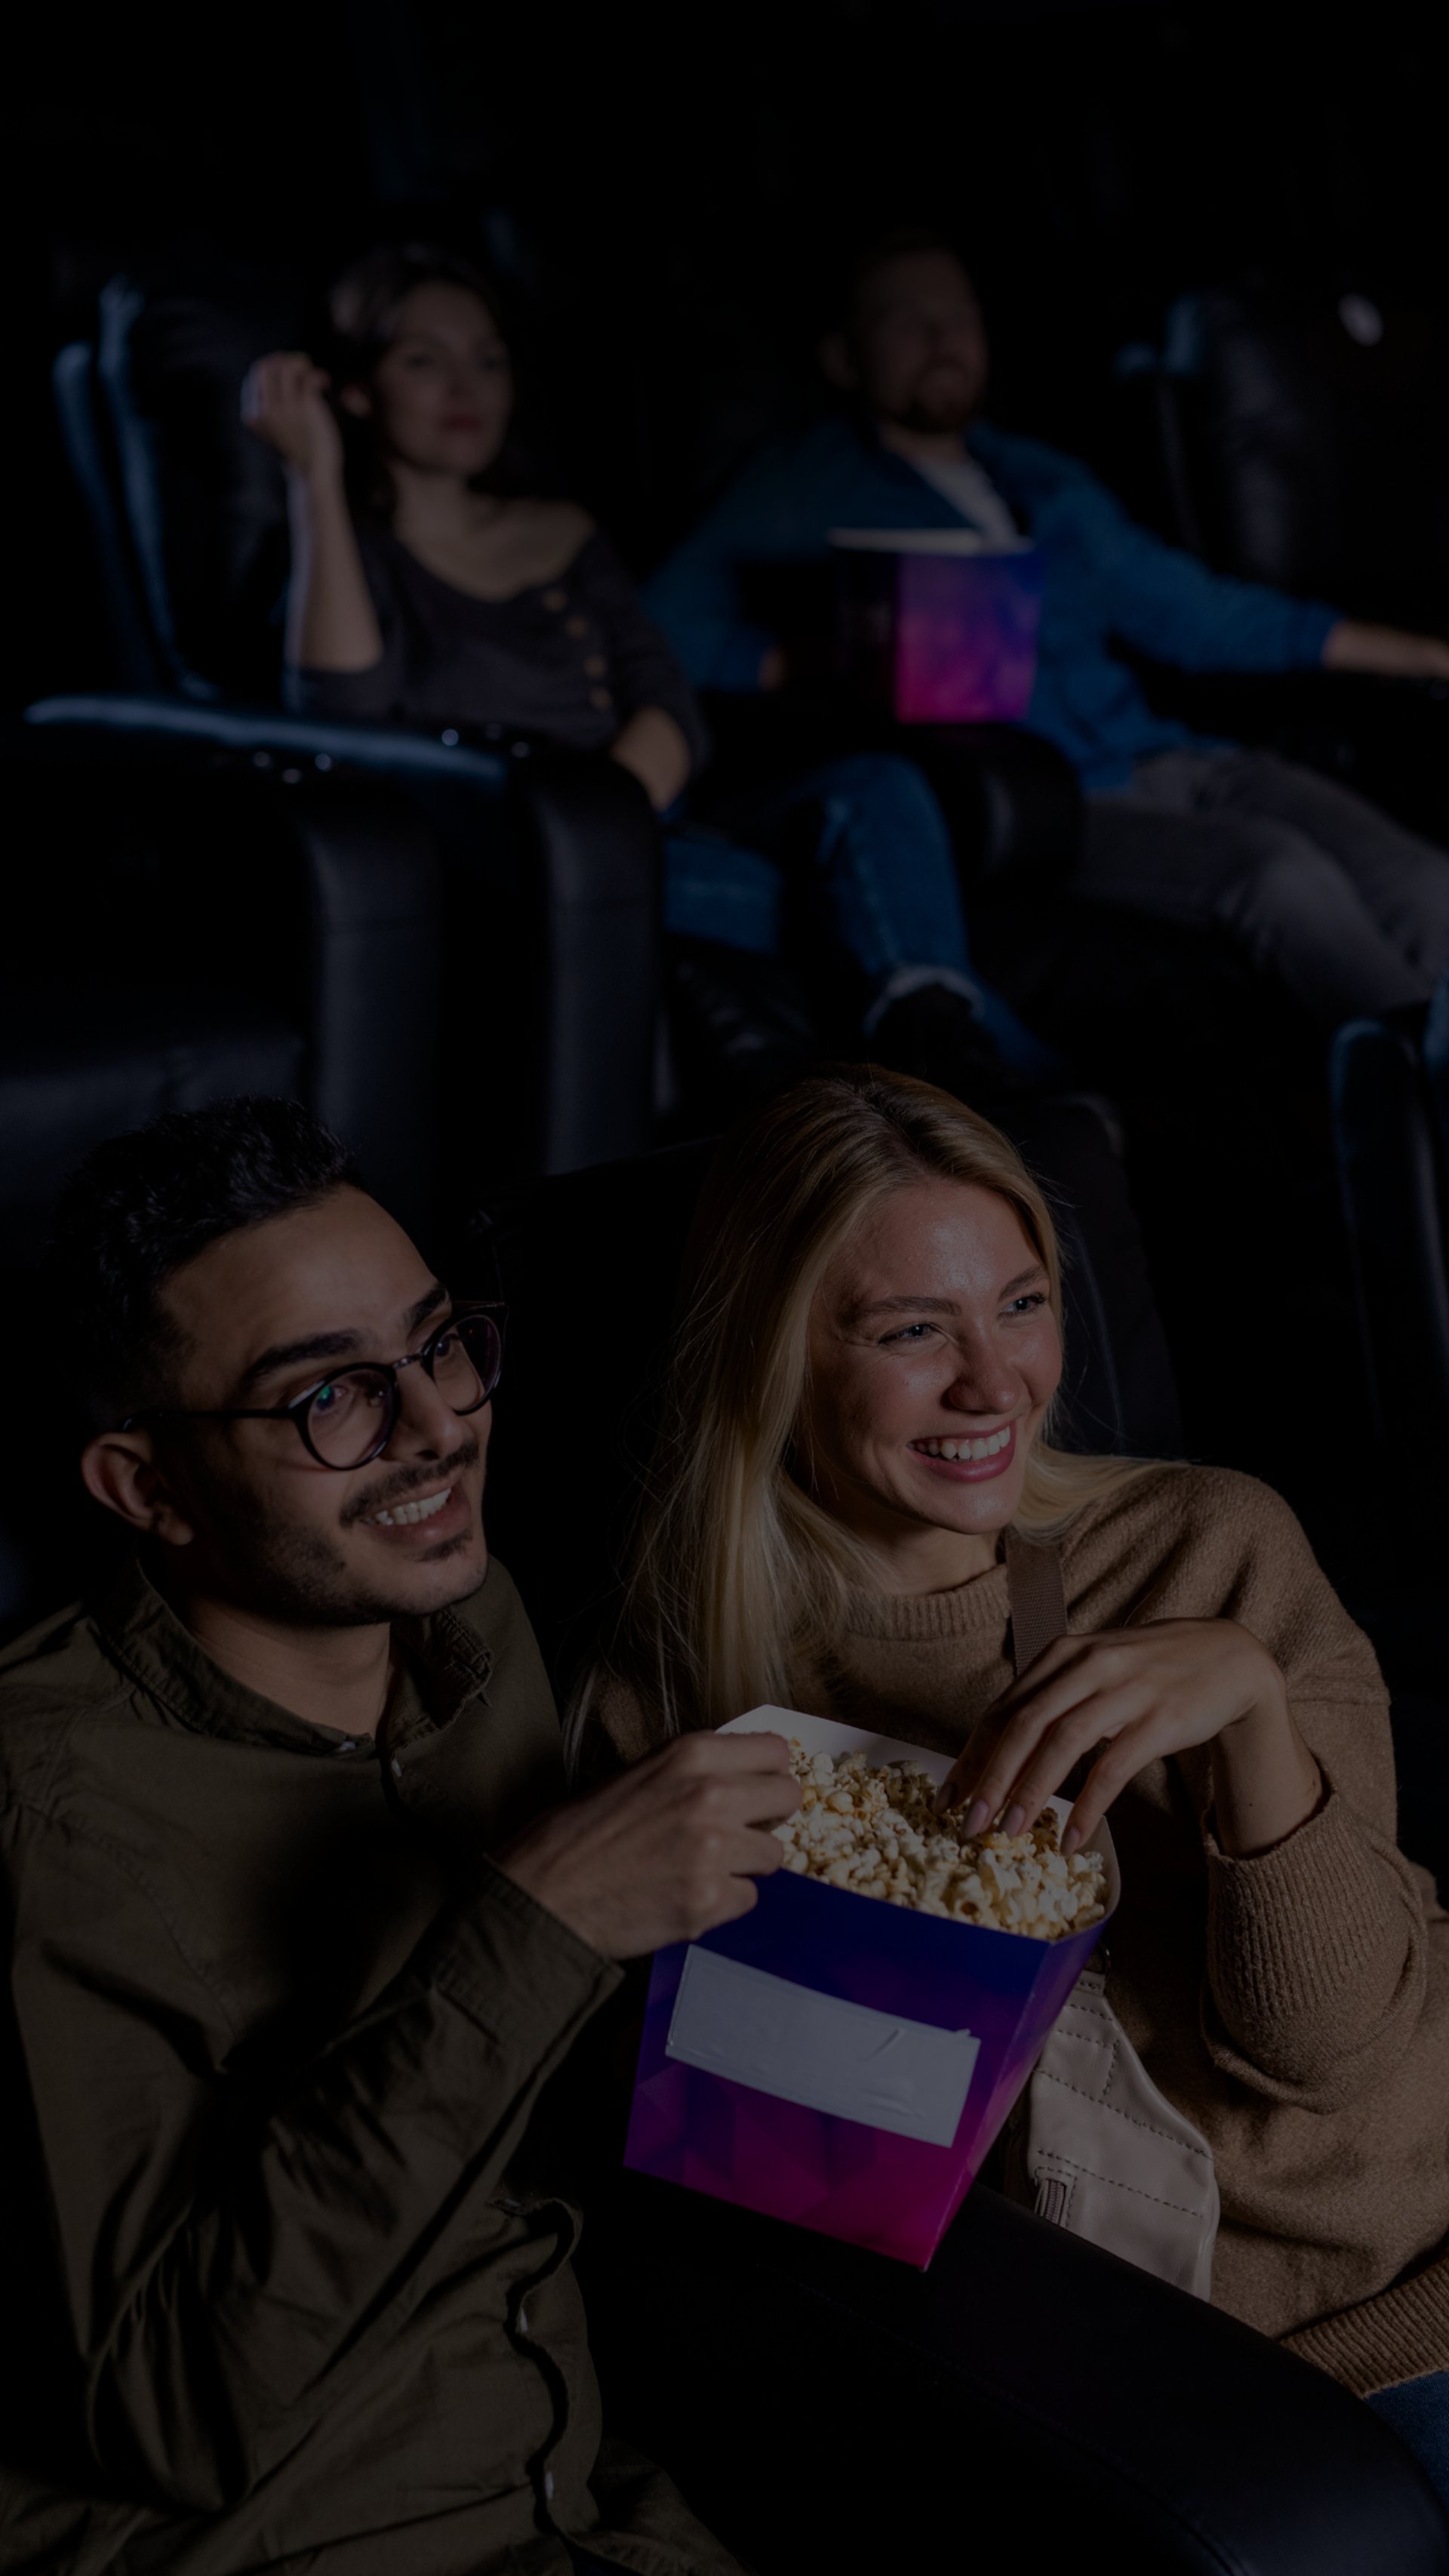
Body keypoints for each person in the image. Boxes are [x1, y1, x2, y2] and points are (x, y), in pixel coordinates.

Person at [574, 1066, 1449, 2507]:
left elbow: (1339, 2057)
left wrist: (1250, 1715)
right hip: (1148, 2368)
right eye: (911, 1330)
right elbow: (754, 2192)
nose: (997, 1383)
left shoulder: (1208, 1548)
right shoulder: (671, 1703)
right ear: (776, 1352)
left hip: (1407, 2266)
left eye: (1023, 1304)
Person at [0, 1094, 806, 2574]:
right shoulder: (43, 1815)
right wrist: (529, 1922)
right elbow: (178, 2406)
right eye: (331, 1396)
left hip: (595, 2505)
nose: (441, 1423)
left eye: (439, 1341)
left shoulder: (469, 1621)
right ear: (145, 1485)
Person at [242, 240, 1053, 1082]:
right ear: (356, 387)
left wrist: (616, 820)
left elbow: (665, 694)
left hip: (646, 824)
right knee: (858, 907)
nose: (467, 387)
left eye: (489, 359)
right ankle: (1038, 1094)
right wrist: (316, 479)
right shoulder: (342, 555)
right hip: (516, 857)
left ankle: (956, 1051)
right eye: (423, 359)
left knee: (878, 789)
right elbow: (340, 719)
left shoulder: (563, 529)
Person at [645, 231, 1449, 1031]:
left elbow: (1203, 618)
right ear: (844, 358)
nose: (941, 339)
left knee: (1423, 880)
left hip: (1177, 754)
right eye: (905, 319)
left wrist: (1425, 654)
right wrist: (815, 660)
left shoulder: (1044, 476)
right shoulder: (801, 485)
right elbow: (660, 628)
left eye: (959, 317)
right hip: (1050, 802)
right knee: (1282, 875)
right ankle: (1422, 1112)